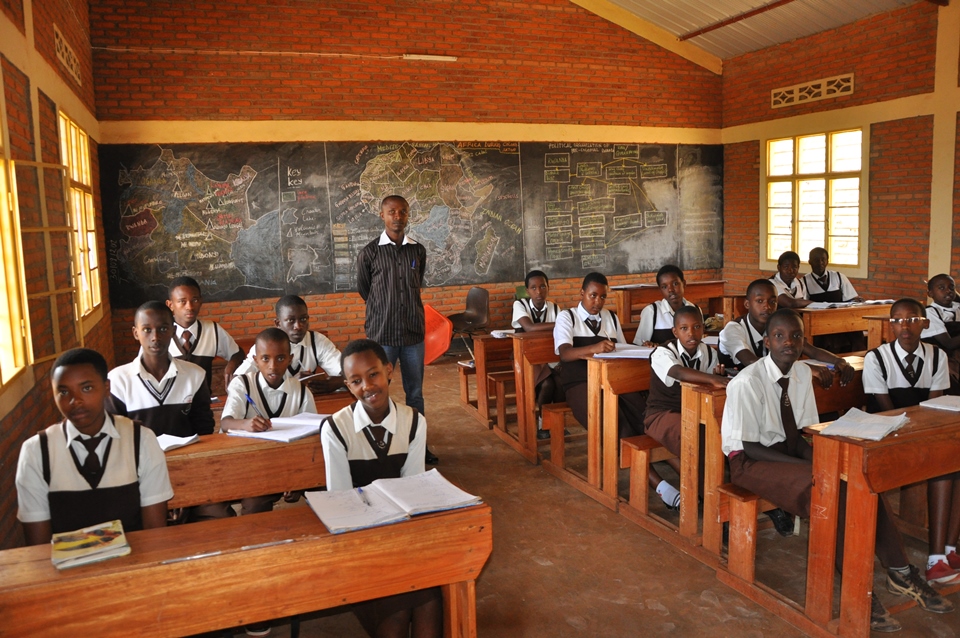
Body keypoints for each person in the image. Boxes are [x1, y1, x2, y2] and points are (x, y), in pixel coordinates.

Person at [722, 309, 953, 631]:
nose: (788, 342)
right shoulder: (748, 382)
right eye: (779, 336)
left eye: (796, 336)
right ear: (766, 342)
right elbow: (749, 447)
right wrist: (816, 468)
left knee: (860, 481)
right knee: (830, 489)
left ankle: (901, 572)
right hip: (751, 461)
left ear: (803, 340)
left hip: (787, 452)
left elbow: (800, 436)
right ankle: (856, 590)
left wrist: (824, 462)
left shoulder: (801, 374)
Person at [320, 339, 440, 638]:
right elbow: (342, 502)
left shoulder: (414, 422)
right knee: (397, 612)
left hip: (401, 532)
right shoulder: (336, 428)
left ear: (389, 370)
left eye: (373, 374)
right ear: (348, 386)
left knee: (430, 601)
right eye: (356, 381)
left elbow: (413, 491)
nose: (367, 386)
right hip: (359, 538)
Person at [16, 348, 173, 546]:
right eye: (63, 392)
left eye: (87, 388)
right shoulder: (36, 452)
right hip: (67, 564)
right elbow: (39, 546)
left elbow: (154, 531)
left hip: (134, 559)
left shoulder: (140, 440)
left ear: (107, 388)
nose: (75, 401)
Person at [863, 299, 958, 585]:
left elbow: (933, 407)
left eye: (913, 319)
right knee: (943, 467)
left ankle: (950, 549)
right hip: (887, 438)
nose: (905, 326)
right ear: (890, 325)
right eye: (898, 320)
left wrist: (923, 439)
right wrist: (917, 441)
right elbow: (886, 411)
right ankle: (935, 559)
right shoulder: (876, 358)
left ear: (925, 324)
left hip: (921, 432)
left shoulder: (937, 356)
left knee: (955, 460)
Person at [357, 195, 438, 465]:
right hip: (383, 335)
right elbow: (365, 290)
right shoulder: (370, 253)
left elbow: (417, 282)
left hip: (413, 334)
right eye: (392, 211)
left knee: (415, 393)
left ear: (408, 215)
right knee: (377, 392)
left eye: (403, 211)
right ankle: (379, 446)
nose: (397, 216)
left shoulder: (418, 251)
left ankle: (418, 444)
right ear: (382, 215)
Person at [644, 306, 728, 509]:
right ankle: (709, 497)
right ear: (675, 332)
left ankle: (721, 487)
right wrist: (712, 379)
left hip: (695, 413)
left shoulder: (709, 353)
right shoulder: (662, 352)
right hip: (661, 415)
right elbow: (678, 372)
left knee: (720, 434)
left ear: (703, 329)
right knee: (693, 436)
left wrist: (717, 377)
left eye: (696, 327)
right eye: (684, 328)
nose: (691, 333)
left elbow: (709, 387)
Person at [553, 272, 644, 438]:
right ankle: (621, 451)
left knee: (639, 410)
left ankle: (639, 449)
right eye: (593, 295)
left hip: (611, 379)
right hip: (580, 382)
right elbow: (565, 354)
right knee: (610, 418)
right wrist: (595, 348)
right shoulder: (568, 317)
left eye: (603, 297)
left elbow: (622, 349)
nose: (598, 302)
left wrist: (641, 348)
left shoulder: (611, 317)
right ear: (582, 293)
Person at [107, 301, 214, 438]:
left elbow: (204, 429)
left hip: (188, 451)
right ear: (135, 333)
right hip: (138, 452)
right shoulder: (117, 380)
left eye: (163, 329)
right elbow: (113, 433)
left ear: (173, 331)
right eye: (147, 330)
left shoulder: (195, 375)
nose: (155, 337)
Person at [719, 279, 854, 386]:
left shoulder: (777, 325)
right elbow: (751, 361)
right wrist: (808, 369)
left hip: (770, 385)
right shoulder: (733, 329)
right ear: (747, 304)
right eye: (760, 301)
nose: (767, 306)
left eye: (773, 301)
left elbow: (811, 350)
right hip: (738, 388)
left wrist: (839, 361)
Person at [234, 295, 344, 394]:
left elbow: (346, 372)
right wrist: (291, 384)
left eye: (303, 319)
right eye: (291, 320)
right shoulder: (265, 346)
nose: (298, 326)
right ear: (278, 323)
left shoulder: (317, 341)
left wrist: (336, 382)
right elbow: (236, 382)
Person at [166, 275, 245, 393]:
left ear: (201, 301)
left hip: (203, 401)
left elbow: (237, 353)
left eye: (195, 300)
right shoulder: (160, 333)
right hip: (172, 402)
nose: (190, 307)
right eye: (182, 301)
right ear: (170, 305)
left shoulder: (212, 330)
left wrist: (231, 366)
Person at [512, 270, 563, 439]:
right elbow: (529, 328)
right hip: (525, 359)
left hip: (549, 357)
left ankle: (556, 422)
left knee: (561, 382)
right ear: (527, 291)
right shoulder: (520, 305)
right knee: (547, 384)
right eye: (533, 288)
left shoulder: (555, 308)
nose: (538, 291)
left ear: (548, 288)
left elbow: (562, 335)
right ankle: (543, 424)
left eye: (542, 287)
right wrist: (559, 324)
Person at [801, 247, 866, 352]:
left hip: (842, 320)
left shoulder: (839, 277)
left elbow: (851, 299)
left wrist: (856, 301)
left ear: (827, 261)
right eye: (816, 260)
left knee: (856, 334)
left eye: (823, 259)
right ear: (809, 262)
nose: (820, 263)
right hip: (819, 324)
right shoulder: (804, 282)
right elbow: (804, 304)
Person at [633, 265, 698, 347]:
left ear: (684, 284)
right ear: (660, 290)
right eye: (664, 287)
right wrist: (648, 345)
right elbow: (639, 346)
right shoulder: (652, 311)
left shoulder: (694, 309)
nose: (670, 289)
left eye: (675, 284)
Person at [921, 273, 960, 394]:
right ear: (930, 294)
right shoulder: (930, 312)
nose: (948, 291)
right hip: (941, 358)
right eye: (941, 288)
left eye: (951, 287)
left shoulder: (957, 308)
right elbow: (948, 343)